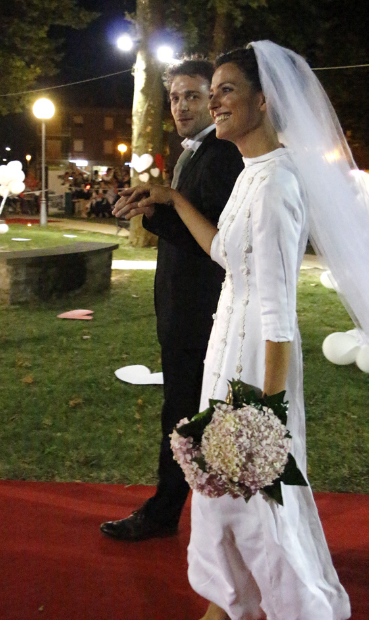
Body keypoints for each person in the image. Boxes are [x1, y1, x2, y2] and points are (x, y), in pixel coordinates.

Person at [114, 41, 364, 619]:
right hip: (225, 348)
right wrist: (173, 198)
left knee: (259, 498)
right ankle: (228, 604)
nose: (215, 103)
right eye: (215, 92)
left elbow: (278, 313)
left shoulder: (276, 186)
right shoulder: (253, 173)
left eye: (226, 91)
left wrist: (266, 415)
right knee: (223, 493)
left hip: (256, 359)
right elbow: (224, 251)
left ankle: (284, 606)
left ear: (264, 100)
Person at [101, 58, 243, 541]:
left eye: (193, 96)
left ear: (214, 100)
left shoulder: (221, 156)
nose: (181, 106)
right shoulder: (194, 154)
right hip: (182, 308)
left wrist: (159, 209)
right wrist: (151, 206)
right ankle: (199, 512)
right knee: (187, 414)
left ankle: (165, 513)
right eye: (176, 97)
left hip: (199, 312)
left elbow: (212, 239)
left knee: (184, 417)